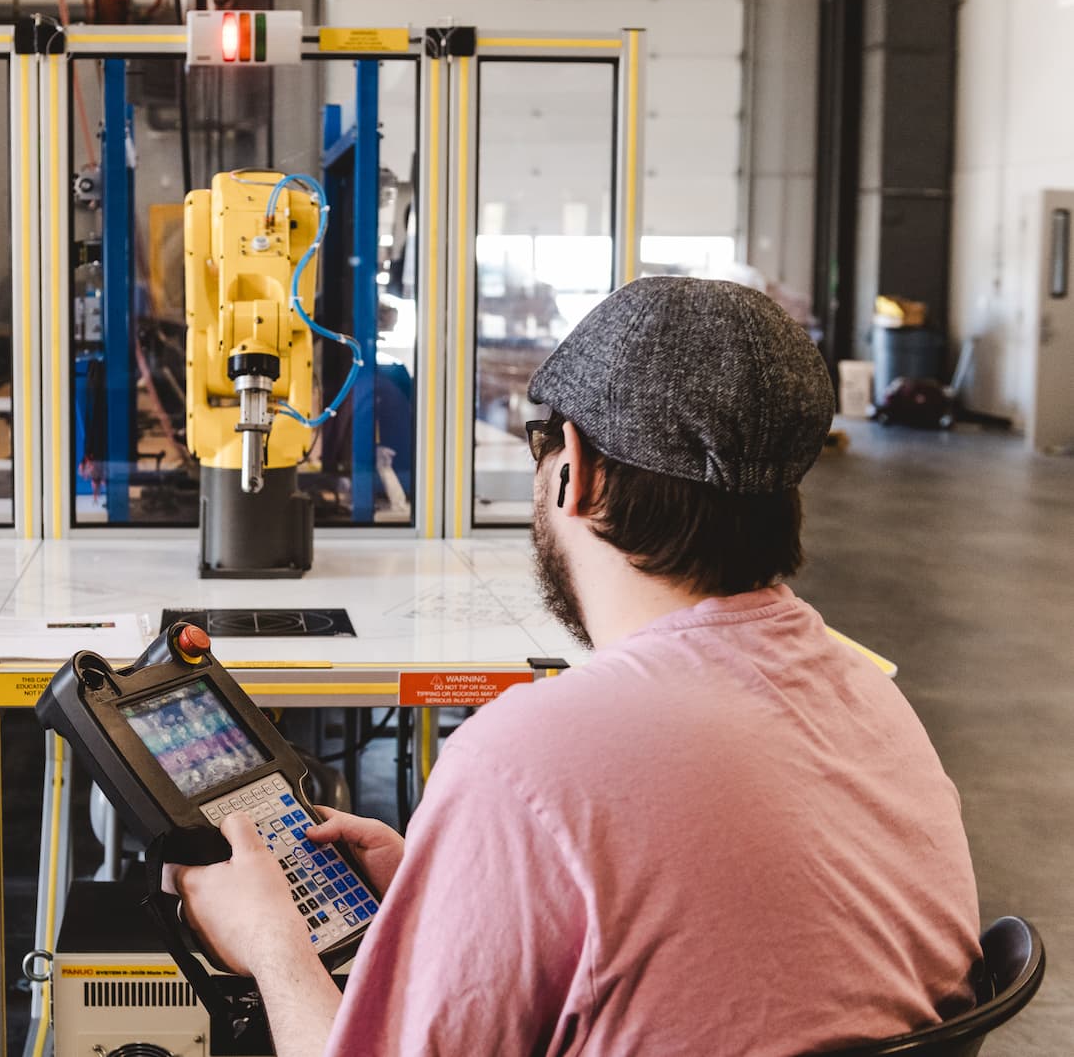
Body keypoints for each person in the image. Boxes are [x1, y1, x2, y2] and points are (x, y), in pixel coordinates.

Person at [173, 277, 981, 1056]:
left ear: (576, 471)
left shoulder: (526, 759)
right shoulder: (873, 698)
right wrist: (455, 885)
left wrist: (271, 944)